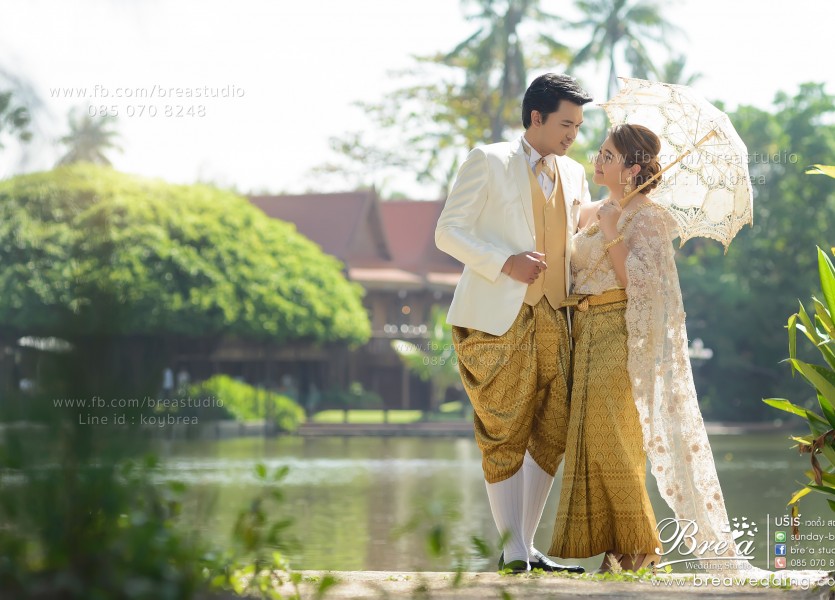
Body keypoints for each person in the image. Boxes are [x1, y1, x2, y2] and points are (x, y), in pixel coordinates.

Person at [549, 124, 744, 573]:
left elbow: (638, 284)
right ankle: (617, 549)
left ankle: (643, 547)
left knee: (616, 441)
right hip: (586, 331)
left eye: (609, 156)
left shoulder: (649, 217)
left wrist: (614, 229)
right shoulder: (593, 209)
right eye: (598, 152)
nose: (597, 161)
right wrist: (603, 218)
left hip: (620, 334)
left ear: (632, 169)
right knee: (595, 440)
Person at [435, 73, 591, 573]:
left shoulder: (575, 174)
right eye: (566, 123)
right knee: (504, 425)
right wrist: (505, 261)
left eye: (579, 126)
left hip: (556, 315)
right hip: (496, 317)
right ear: (536, 117)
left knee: (554, 426)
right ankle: (514, 550)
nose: (573, 135)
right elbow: (448, 232)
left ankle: (522, 545)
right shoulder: (488, 160)